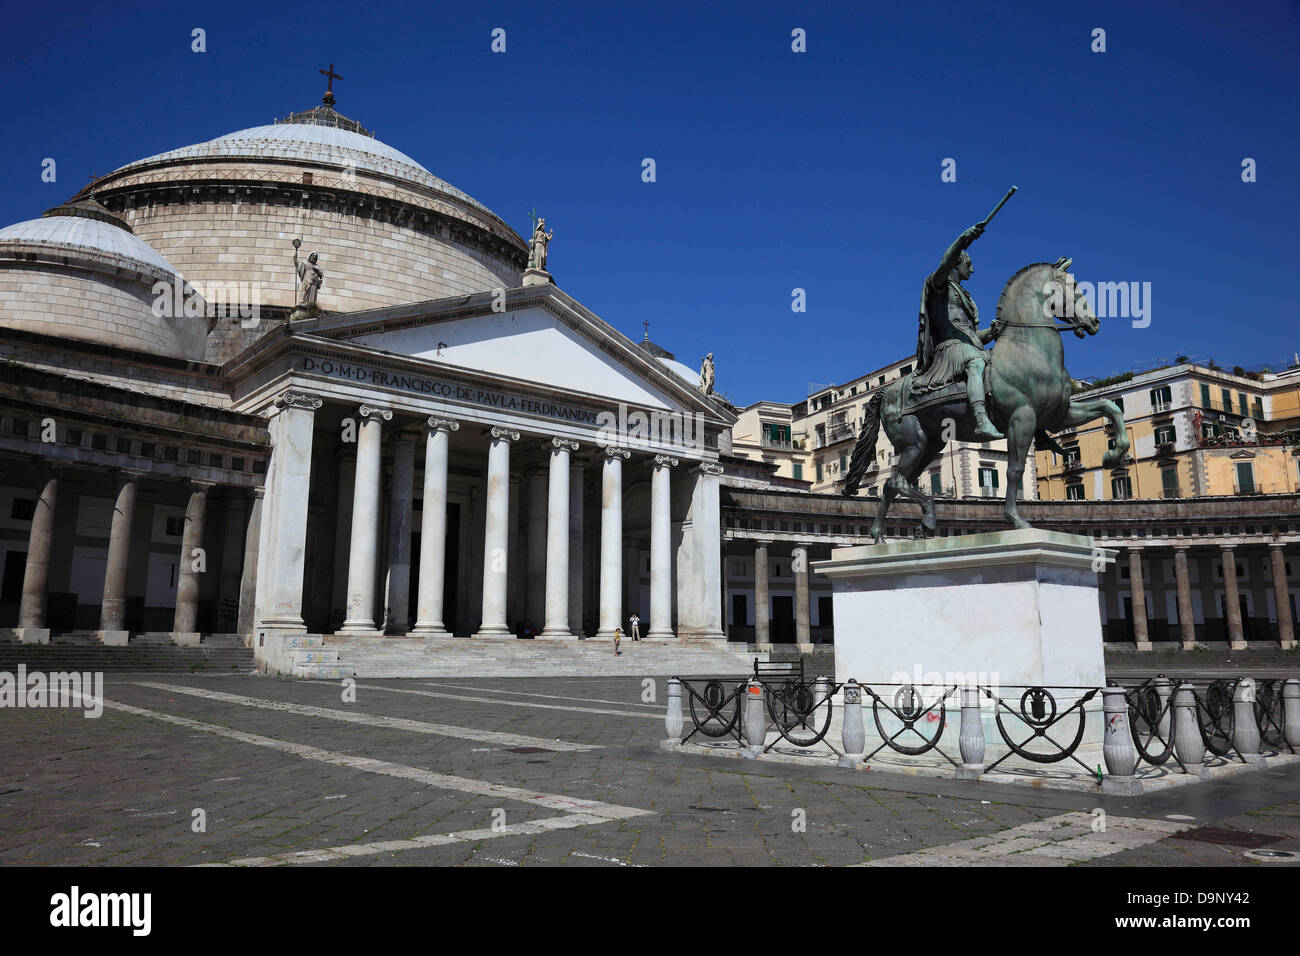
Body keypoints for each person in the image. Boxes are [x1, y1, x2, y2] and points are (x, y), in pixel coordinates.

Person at [910, 222, 1002, 439]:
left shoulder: (967, 298)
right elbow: (944, 263)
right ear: (956, 263)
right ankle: (980, 421)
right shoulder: (939, 286)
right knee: (976, 362)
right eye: (968, 264)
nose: (972, 269)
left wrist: (991, 332)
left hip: (967, 345)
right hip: (948, 349)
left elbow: (971, 335)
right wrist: (963, 239)